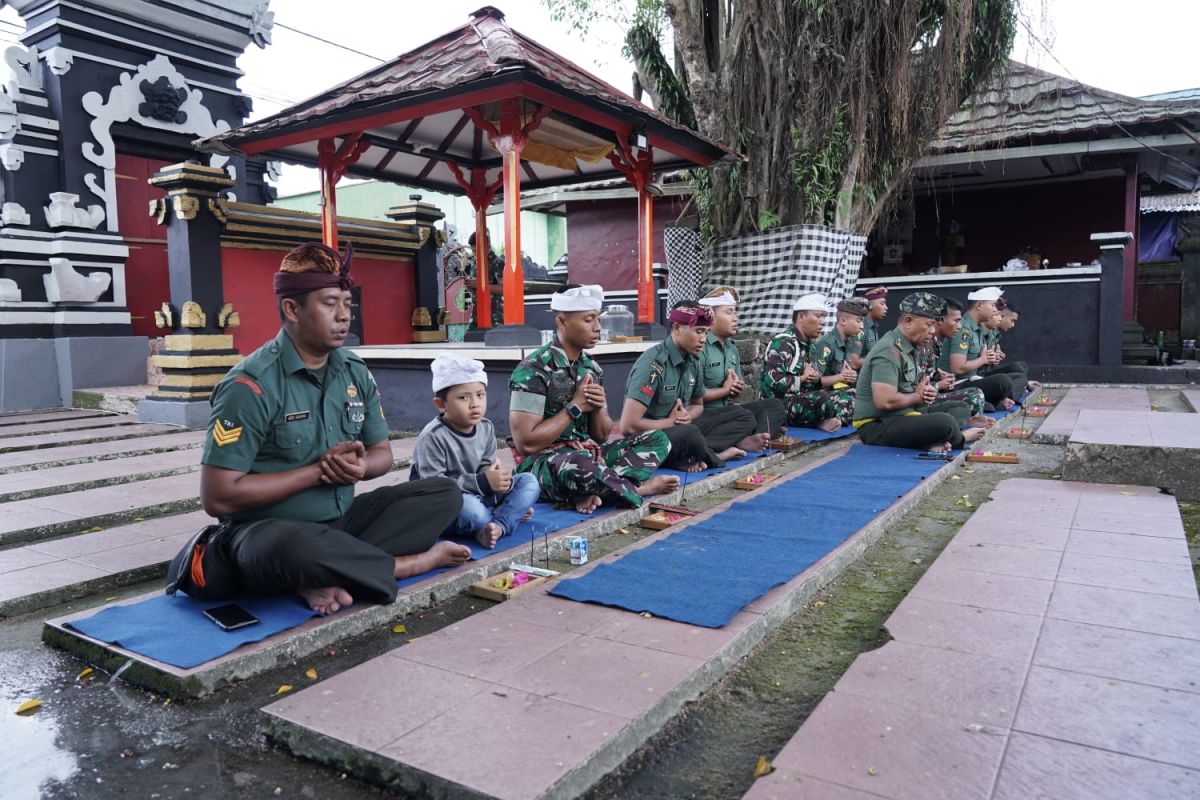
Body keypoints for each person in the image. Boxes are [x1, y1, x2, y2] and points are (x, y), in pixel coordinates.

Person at [179, 242, 471, 615]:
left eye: (347, 304)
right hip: (267, 531)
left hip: (340, 526)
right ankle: (410, 563)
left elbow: (382, 453)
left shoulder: (353, 371)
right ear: (292, 309)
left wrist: (360, 468)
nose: (343, 316)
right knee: (291, 548)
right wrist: (317, 473)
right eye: (329, 303)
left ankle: (320, 575)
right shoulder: (250, 385)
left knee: (443, 494)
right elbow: (217, 499)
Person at [509, 284, 678, 514]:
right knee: (578, 466)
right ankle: (638, 489)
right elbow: (526, 444)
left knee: (658, 440)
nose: (598, 327)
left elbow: (601, 435)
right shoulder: (533, 369)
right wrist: (575, 407)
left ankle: (594, 490)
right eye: (588, 320)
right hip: (544, 464)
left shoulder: (592, 368)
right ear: (561, 322)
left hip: (588, 455)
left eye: (598, 319)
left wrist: (597, 408)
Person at [411, 354, 540, 549]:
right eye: (464, 397)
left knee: (529, 483)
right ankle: (504, 516)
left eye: (480, 395)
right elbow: (433, 487)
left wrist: (498, 480)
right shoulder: (433, 436)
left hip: (480, 496)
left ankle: (497, 526)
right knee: (473, 512)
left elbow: (485, 471)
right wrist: (483, 481)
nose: (475, 404)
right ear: (441, 404)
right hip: (446, 503)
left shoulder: (485, 427)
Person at [621, 301, 757, 471]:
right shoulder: (653, 365)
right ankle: (712, 454)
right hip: (650, 438)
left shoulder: (693, 361)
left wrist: (686, 416)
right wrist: (671, 422)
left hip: (680, 428)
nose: (703, 339)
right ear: (677, 328)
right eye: (698, 331)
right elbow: (628, 426)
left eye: (706, 332)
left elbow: (697, 405)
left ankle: (696, 452)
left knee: (743, 416)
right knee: (690, 434)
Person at [853, 292, 987, 451]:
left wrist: (926, 392)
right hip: (877, 425)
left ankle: (935, 438)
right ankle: (959, 438)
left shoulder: (910, 345)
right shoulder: (889, 351)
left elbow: (913, 388)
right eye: (929, 324)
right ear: (908, 321)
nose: (932, 331)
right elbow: (885, 401)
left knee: (960, 407)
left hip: (906, 413)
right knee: (946, 423)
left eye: (934, 325)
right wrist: (918, 396)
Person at [697, 286, 786, 444]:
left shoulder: (731, 347)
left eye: (735, 312)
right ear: (710, 316)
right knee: (742, 416)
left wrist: (735, 388)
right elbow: (691, 395)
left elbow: (735, 393)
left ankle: (756, 436)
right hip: (703, 415)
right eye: (728, 312)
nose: (735, 318)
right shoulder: (699, 345)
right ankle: (749, 437)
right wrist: (724, 390)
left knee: (774, 406)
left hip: (728, 413)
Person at [759, 293, 855, 432]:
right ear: (802, 316)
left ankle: (832, 420)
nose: (822, 321)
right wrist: (802, 378)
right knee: (821, 399)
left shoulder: (809, 345)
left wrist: (814, 378)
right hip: (777, 405)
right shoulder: (784, 342)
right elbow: (773, 381)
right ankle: (823, 421)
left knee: (850, 393)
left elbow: (811, 384)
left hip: (803, 399)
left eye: (824, 316)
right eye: (818, 316)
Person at [941, 286, 1016, 410]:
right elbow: (958, 368)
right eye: (992, 305)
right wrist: (984, 359)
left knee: (1014, 375)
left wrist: (991, 358)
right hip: (956, 385)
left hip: (973, 379)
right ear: (980, 305)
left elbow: (979, 366)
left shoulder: (978, 328)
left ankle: (994, 401)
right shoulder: (963, 329)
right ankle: (993, 401)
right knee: (1004, 382)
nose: (995, 310)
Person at [923, 297, 989, 424]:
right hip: (918, 405)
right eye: (956, 321)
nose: (959, 327)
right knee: (973, 398)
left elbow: (926, 373)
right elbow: (911, 389)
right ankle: (961, 427)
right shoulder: (922, 345)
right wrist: (938, 384)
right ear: (940, 320)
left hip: (932, 396)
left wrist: (939, 375)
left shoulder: (935, 343)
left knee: (975, 397)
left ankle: (966, 422)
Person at [813, 297, 868, 382]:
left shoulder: (848, 341)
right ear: (843, 321)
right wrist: (842, 377)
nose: (862, 326)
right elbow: (814, 382)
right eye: (858, 321)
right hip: (824, 393)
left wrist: (850, 376)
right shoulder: (827, 344)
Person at [468, 230, 504, 327]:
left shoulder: (498, 263)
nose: (474, 254)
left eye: (476, 250)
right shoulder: (474, 264)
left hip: (495, 317)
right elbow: (475, 291)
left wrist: (480, 285)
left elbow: (505, 290)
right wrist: (470, 286)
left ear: (486, 246)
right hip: (477, 316)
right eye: (472, 250)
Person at [860, 286, 888, 354]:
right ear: (869, 305)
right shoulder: (860, 327)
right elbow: (854, 361)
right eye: (882, 303)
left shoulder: (873, 326)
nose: (886, 308)